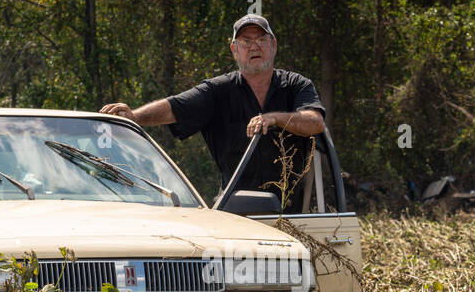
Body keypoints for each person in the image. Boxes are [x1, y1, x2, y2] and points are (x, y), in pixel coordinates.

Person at [100, 14, 326, 205]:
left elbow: (314, 122)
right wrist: (134, 116)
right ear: (234, 50)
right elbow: (175, 108)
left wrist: (275, 118)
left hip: (296, 216)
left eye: (261, 39)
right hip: (236, 213)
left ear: (273, 45)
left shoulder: (297, 85)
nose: (254, 46)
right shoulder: (218, 90)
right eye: (246, 41)